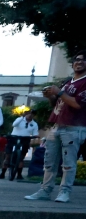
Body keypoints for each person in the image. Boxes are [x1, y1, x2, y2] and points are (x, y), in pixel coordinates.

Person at [26, 50, 86, 203]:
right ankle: (45, 190)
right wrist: (51, 96)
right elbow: (56, 103)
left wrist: (58, 92)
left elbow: (77, 104)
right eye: (77, 59)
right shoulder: (67, 82)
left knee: (68, 163)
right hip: (57, 125)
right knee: (49, 161)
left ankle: (64, 192)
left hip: (73, 127)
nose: (79, 62)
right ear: (72, 64)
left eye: (84, 60)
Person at [4, 111, 38, 180]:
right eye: (28, 114)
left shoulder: (34, 124)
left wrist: (36, 136)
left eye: (32, 114)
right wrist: (22, 117)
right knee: (8, 156)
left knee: (21, 158)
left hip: (25, 139)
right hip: (14, 137)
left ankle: (19, 174)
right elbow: (14, 124)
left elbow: (35, 133)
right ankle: (2, 173)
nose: (30, 115)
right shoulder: (19, 119)